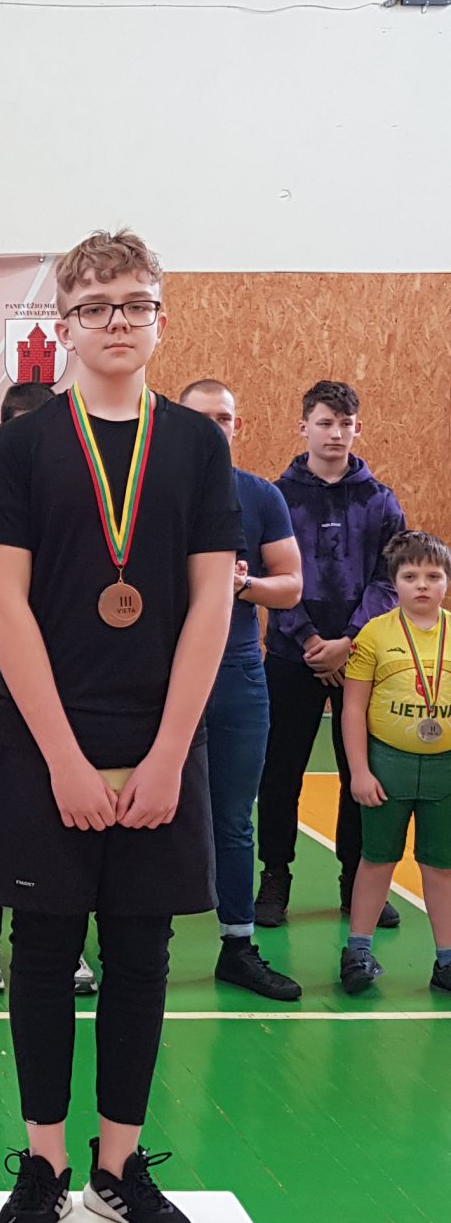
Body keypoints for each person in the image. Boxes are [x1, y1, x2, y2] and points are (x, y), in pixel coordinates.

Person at [0, 229, 241, 1223]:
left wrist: (171, 752)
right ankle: (43, 1163)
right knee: (42, 952)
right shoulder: (28, 445)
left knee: (140, 954)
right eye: (96, 307)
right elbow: (4, 602)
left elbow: (213, 600)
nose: (117, 321)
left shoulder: (198, 446)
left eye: (135, 303)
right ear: (66, 325)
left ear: (160, 318)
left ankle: (118, 1167)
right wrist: (64, 760)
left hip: (157, 739)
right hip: (48, 743)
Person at [0, 381, 98, 1003]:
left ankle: (65, 937)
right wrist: (20, 631)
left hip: (71, 681)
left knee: (64, 807)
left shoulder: (86, 505)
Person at [255, 381, 404, 931]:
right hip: (291, 655)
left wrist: (350, 641)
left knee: (358, 773)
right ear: (304, 428)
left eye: (345, 424)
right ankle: (275, 878)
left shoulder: (380, 500)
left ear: (357, 428)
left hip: (360, 661)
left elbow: (390, 578)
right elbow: (266, 575)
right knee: (280, 774)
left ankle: (354, 883)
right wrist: (309, 640)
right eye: (324, 423)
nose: (335, 433)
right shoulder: (277, 498)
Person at [178, 381, 304, 1001]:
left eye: (223, 417)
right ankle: (133, 944)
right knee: (142, 811)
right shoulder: (148, 492)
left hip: (235, 673)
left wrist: (241, 584)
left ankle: (238, 945)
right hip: (158, 674)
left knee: (232, 817)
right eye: (201, 417)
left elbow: (291, 586)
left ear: (237, 426)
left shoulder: (260, 496)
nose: (214, 427)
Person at [340, 531, 451, 996]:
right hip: (387, 766)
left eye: (433, 576)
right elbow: (352, 709)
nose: (422, 585)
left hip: (445, 770)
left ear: (446, 582)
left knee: (441, 866)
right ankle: (358, 951)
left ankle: (447, 960)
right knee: (377, 859)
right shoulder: (374, 634)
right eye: (410, 576)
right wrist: (360, 771)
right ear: (395, 582)